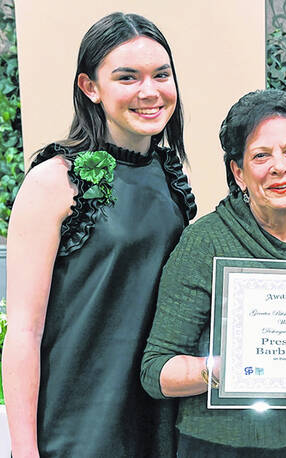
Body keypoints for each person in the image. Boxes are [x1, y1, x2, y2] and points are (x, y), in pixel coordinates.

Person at [3, 12, 196, 457]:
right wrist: (23, 450)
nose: (150, 91)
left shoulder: (171, 175)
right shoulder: (53, 180)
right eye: (127, 77)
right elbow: (24, 333)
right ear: (90, 87)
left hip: (156, 418)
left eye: (161, 75)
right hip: (77, 423)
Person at [140, 89, 286, 457]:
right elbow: (156, 371)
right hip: (221, 445)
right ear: (238, 171)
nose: (280, 167)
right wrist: (228, 368)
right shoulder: (205, 242)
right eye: (261, 155)